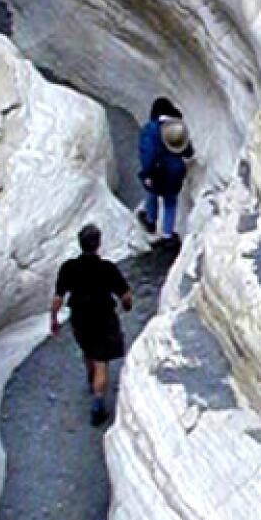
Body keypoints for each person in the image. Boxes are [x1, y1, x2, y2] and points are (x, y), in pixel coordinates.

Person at [50, 224, 132, 426]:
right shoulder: (107, 269)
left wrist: (53, 319)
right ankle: (97, 405)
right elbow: (126, 295)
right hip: (103, 318)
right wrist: (127, 306)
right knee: (101, 360)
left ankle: (91, 378)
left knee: (88, 350)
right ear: (98, 244)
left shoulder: (68, 268)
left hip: (79, 318)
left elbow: (58, 297)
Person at [137, 97, 193, 248]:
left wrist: (147, 173)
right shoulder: (177, 127)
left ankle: (150, 221)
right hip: (176, 172)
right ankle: (168, 235)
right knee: (170, 201)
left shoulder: (151, 129)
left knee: (152, 193)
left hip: (157, 171)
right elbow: (188, 151)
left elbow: (147, 153)